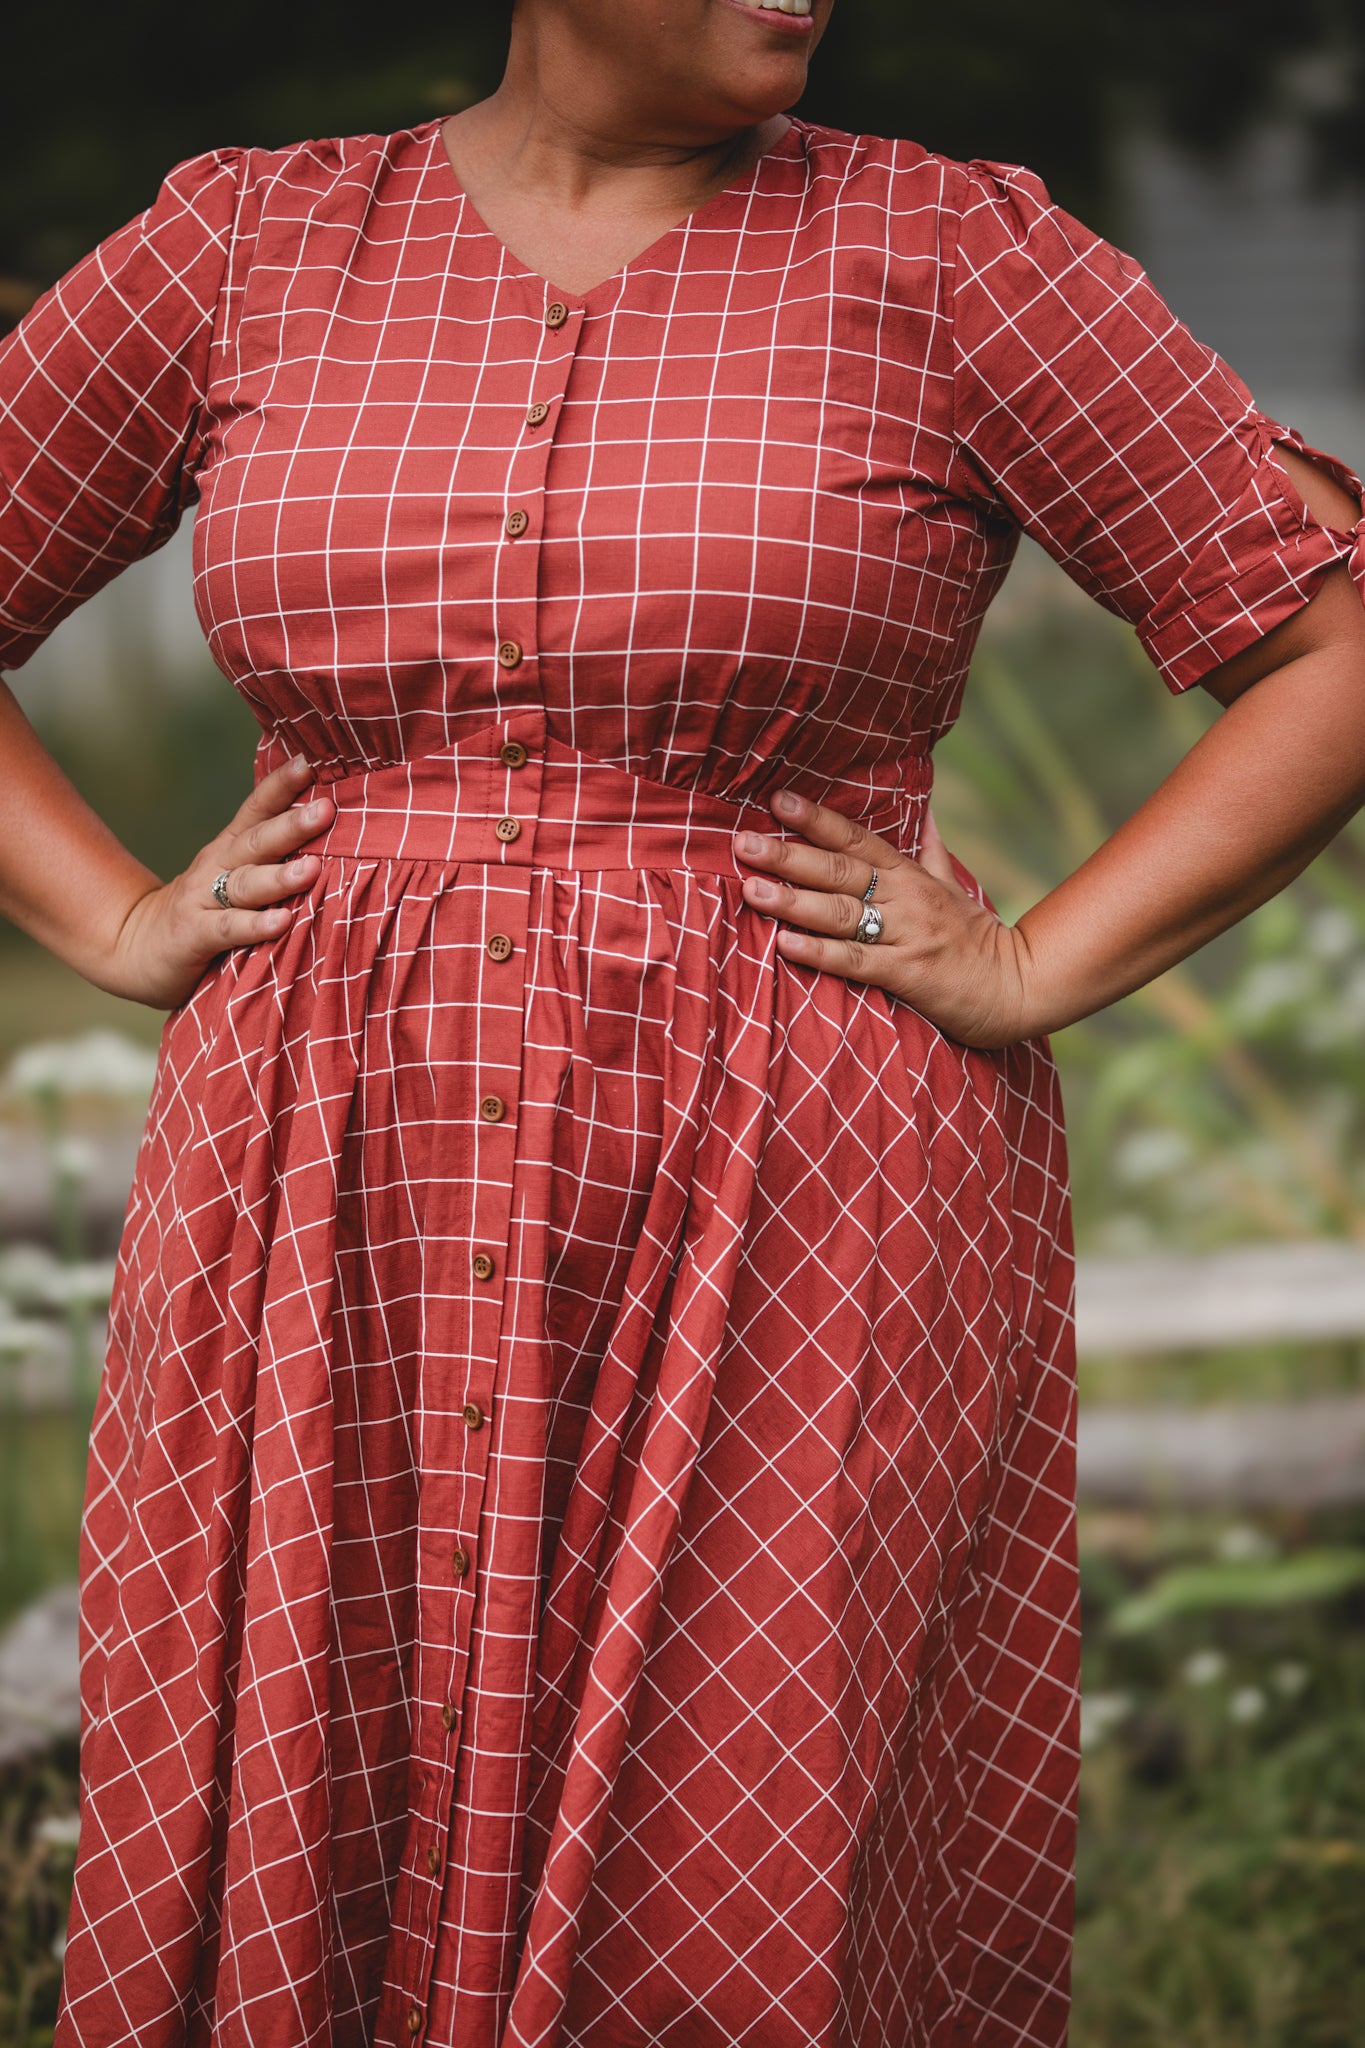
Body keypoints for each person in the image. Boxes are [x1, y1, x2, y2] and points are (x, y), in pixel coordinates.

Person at [3, 1, 1364, 2042]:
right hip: (322, 1171)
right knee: (318, 1759)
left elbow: (1327, 650)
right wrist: (112, 914)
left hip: (798, 1169)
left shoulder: (957, 255)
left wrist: (1035, 962)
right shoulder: (245, 244)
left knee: (735, 1822)